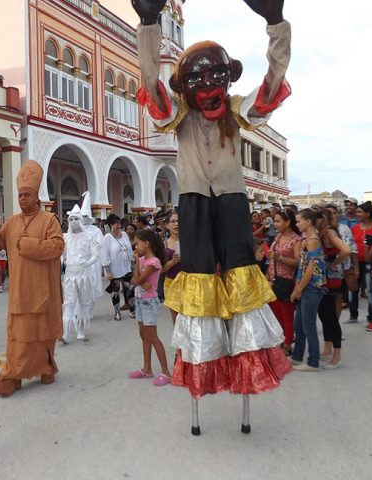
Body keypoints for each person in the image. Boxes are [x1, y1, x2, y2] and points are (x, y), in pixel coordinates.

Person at [134, 0, 291, 403]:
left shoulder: (237, 111)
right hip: (194, 202)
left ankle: (247, 362)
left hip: (233, 199)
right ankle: (206, 367)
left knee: (240, 276)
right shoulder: (178, 115)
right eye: (196, 78)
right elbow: (152, 83)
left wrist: (276, 23)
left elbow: (273, 84)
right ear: (184, 85)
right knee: (201, 275)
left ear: (230, 75)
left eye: (216, 74)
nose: (207, 85)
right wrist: (149, 24)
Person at [0, 160, 64, 397]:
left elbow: (57, 247)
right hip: (19, 290)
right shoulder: (12, 222)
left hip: (43, 288)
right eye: (20, 195)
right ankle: (14, 373)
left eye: (27, 194)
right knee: (19, 335)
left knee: (43, 333)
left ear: (37, 197)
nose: (23, 199)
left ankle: (46, 367)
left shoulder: (49, 220)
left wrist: (27, 245)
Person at [128, 229, 171, 387]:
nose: (136, 246)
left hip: (149, 302)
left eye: (138, 243)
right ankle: (146, 368)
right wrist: (138, 278)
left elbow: (138, 280)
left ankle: (165, 372)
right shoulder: (143, 260)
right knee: (143, 334)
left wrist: (137, 266)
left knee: (152, 336)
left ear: (147, 244)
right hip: (140, 300)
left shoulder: (153, 262)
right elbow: (134, 280)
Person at [290, 209, 327, 372]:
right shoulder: (306, 241)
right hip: (305, 287)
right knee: (298, 324)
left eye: (299, 221)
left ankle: (313, 362)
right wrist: (297, 287)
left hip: (312, 288)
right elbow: (302, 267)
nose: (297, 224)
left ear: (308, 222)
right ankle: (297, 356)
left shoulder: (313, 241)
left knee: (308, 326)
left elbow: (311, 270)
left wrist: (299, 289)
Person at [315, 207, 351, 367]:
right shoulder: (322, 233)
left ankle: (337, 355)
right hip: (324, 280)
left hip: (331, 280)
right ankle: (328, 347)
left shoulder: (330, 232)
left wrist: (334, 263)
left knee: (330, 317)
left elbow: (346, 250)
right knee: (323, 314)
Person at [61, 205, 100, 343]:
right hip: (70, 275)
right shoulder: (65, 238)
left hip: (85, 274)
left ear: (80, 221)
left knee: (84, 302)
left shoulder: (89, 237)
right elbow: (62, 254)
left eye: (75, 219)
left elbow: (96, 255)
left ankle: (81, 330)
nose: (73, 222)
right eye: (71, 219)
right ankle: (65, 332)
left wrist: (88, 263)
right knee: (69, 303)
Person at [267, 209, 301, 355]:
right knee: (276, 313)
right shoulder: (278, 236)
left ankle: (288, 342)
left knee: (286, 314)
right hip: (274, 280)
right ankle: (282, 339)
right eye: (275, 221)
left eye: (278, 221)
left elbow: (298, 263)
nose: (275, 224)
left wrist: (279, 258)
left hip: (286, 280)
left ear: (287, 222)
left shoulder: (296, 240)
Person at [349, 202, 372, 323]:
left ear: (368, 213)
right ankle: (353, 315)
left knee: (371, 291)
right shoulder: (355, 228)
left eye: (360, 212)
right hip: (356, 262)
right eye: (357, 212)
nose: (357, 214)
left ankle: (371, 317)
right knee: (353, 289)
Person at [101, 215, 135, 321]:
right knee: (115, 291)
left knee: (129, 289)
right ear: (111, 225)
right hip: (114, 269)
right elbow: (104, 254)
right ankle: (117, 313)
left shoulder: (124, 234)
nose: (118, 226)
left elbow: (129, 250)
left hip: (126, 267)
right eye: (116, 224)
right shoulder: (107, 238)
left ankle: (132, 310)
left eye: (119, 224)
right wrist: (108, 271)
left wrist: (132, 265)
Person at [80, 191, 104, 316]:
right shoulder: (76, 230)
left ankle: (88, 310)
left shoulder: (96, 231)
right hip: (80, 263)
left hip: (92, 263)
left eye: (85, 217)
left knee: (92, 286)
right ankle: (81, 310)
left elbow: (99, 246)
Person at [162, 211, 182, 324]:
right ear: (167, 225)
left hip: (188, 283)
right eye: (173, 221)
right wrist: (173, 261)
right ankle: (177, 342)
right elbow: (160, 269)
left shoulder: (190, 242)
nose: (176, 224)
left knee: (188, 319)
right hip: (171, 283)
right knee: (176, 320)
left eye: (179, 221)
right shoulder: (164, 244)